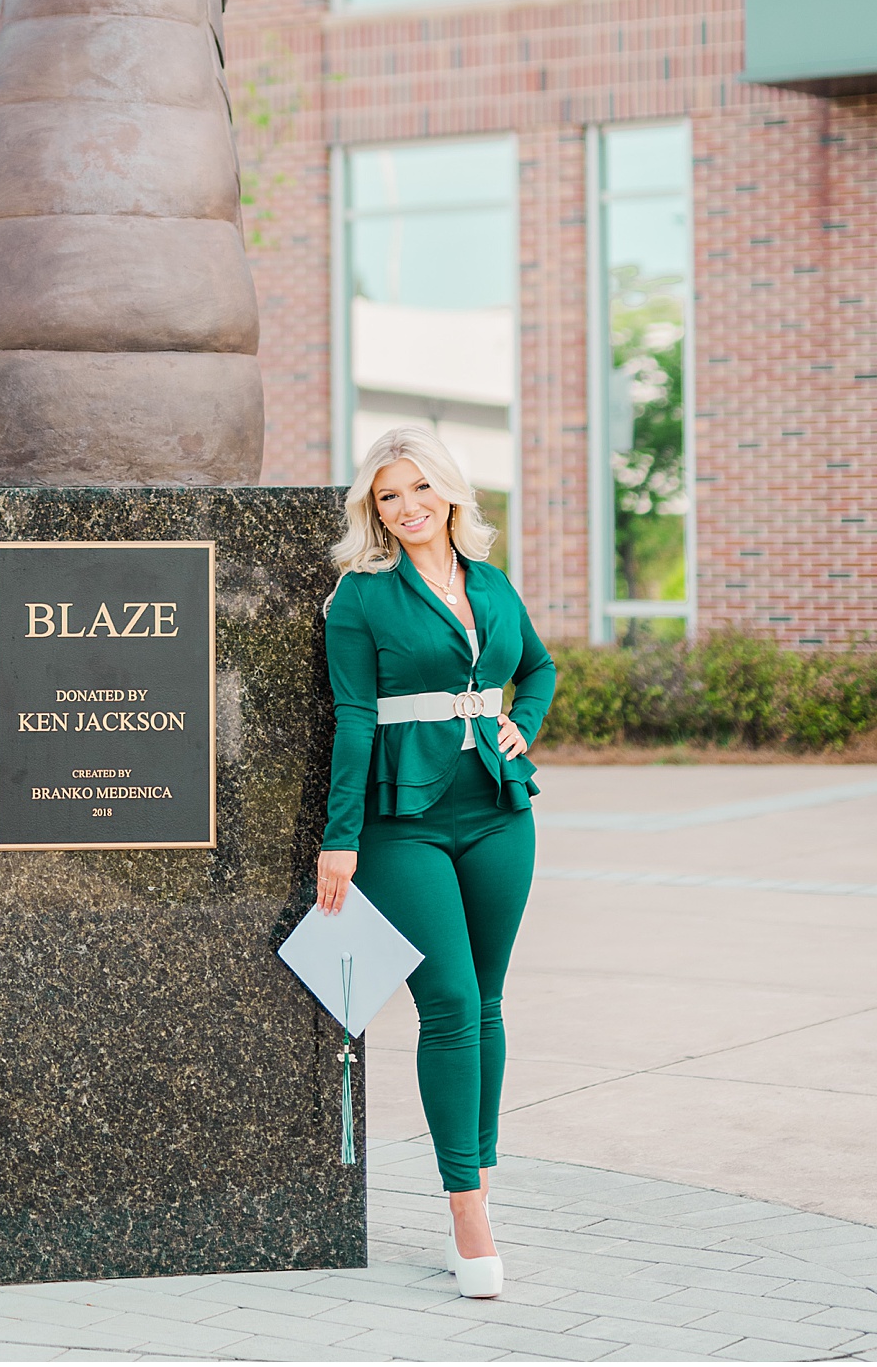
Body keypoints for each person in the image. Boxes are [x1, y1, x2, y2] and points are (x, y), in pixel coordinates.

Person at [316, 426, 555, 1300]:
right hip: (400, 822)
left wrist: (525, 719)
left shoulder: (491, 584)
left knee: (488, 1002)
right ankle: (466, 1209)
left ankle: (480, 1173)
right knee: (449, 1002)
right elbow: (351, 717)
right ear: (372, 509)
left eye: (419, 487)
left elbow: (539, 665)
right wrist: (339, 838)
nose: (407, 506)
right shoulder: (363, 597)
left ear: (450, 492)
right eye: (388, 494)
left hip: (498, 810)